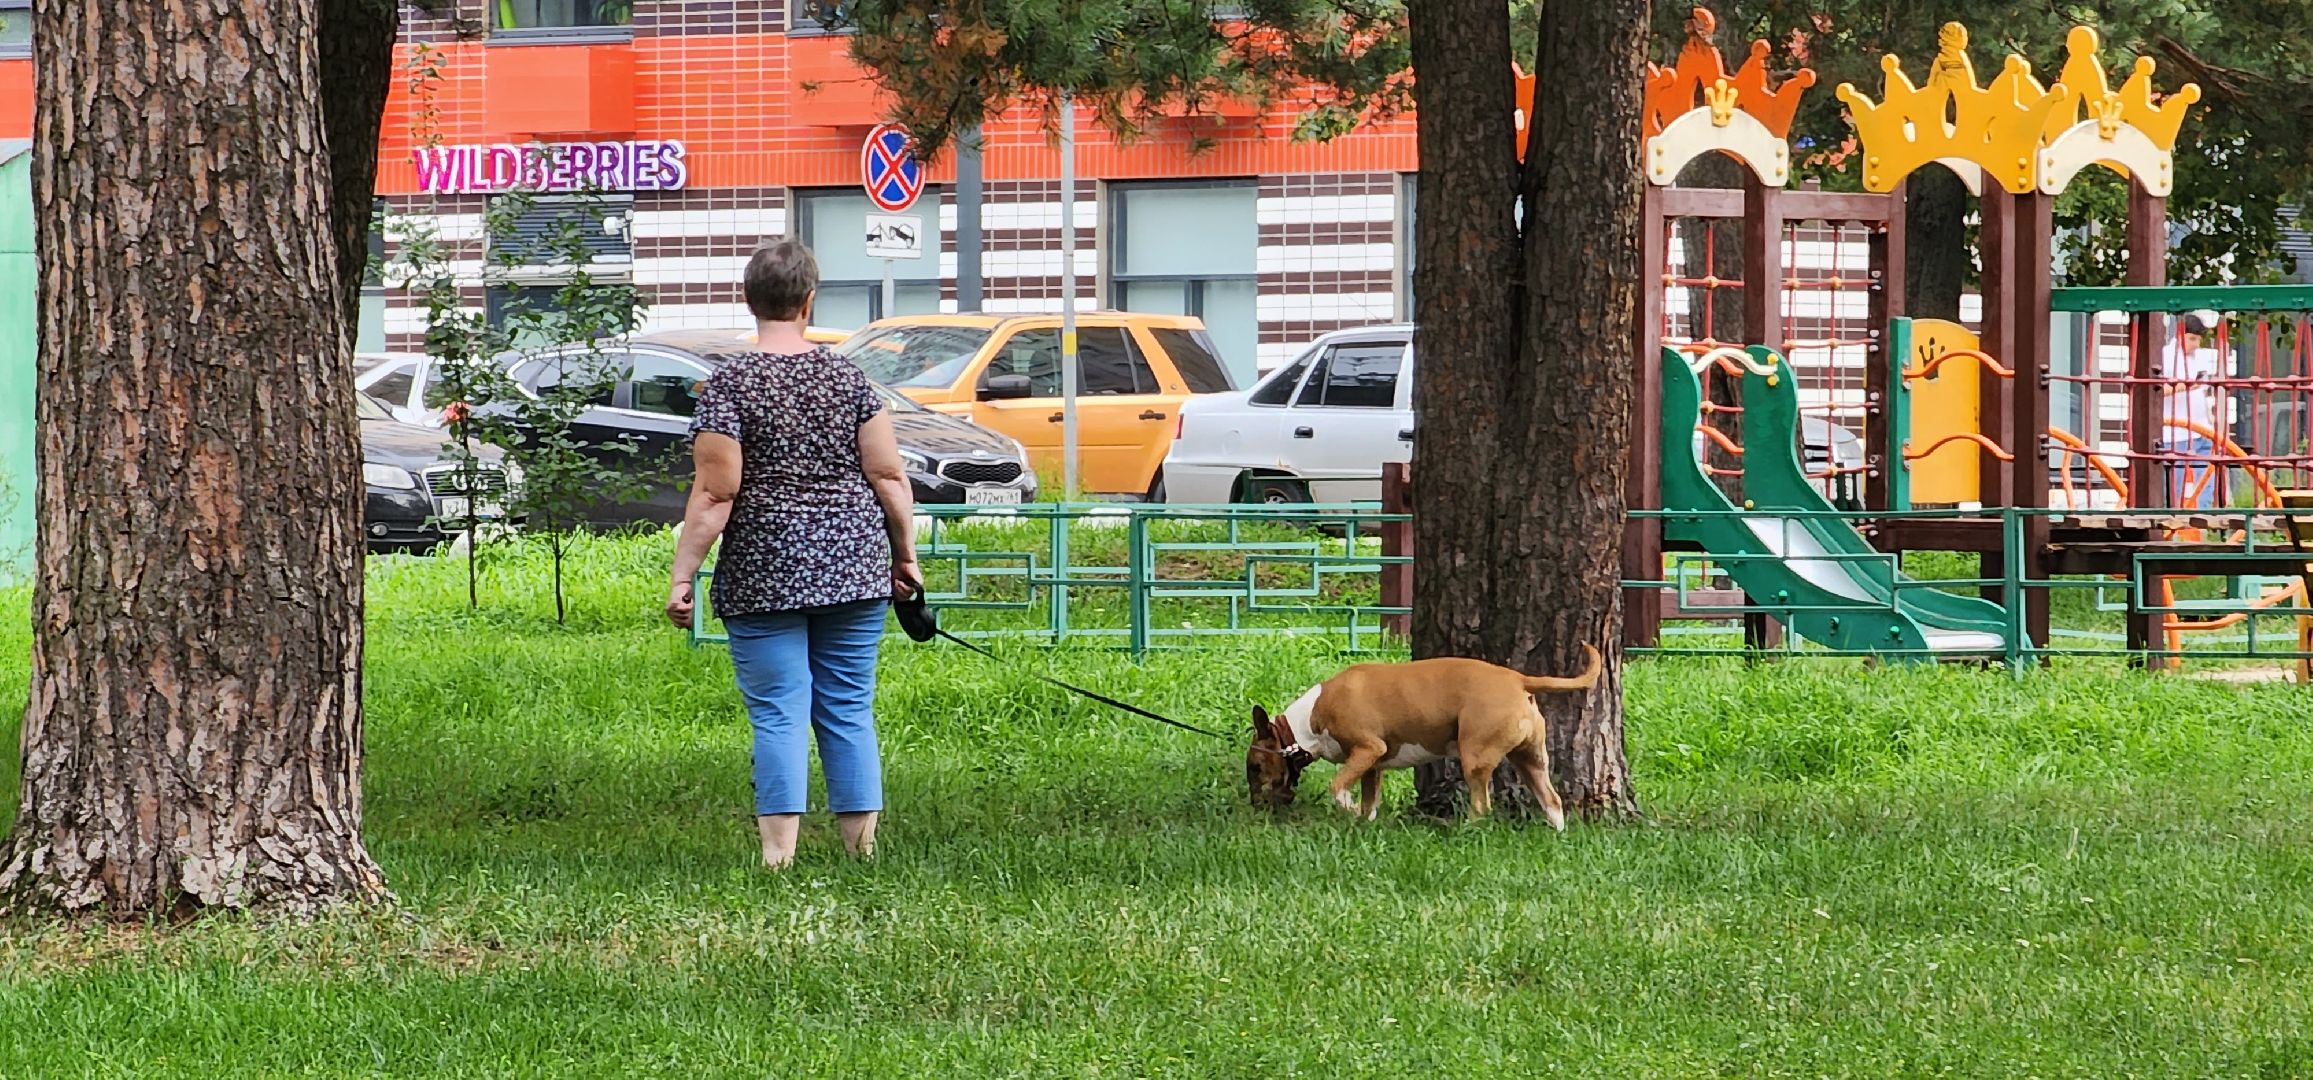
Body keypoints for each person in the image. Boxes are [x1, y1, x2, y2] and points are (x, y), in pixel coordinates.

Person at [666, 238, 920, 869]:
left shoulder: (727, 387)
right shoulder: (851, 379)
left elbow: (716, 493)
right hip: (854, 565)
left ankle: (778, 858)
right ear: (810, 301)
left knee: (779, 711)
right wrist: (904, 555)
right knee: (848, 705)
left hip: (763, 568)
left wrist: (683, 574)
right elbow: (889, 476)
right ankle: (861, 855)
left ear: (748, 299)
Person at [2160, 309, 2226, 509]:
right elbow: (2156, 391)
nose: (2196, 345)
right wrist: (2185, 386)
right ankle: (2171, 516)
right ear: (2179, 334)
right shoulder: (2165, 355)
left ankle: (2205, 516)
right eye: (2192, 339)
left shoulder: (2199, 357)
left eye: (2198, 340)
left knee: (2207, 478)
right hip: (2175, 432)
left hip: (2201, 427)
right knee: (2175, 483)